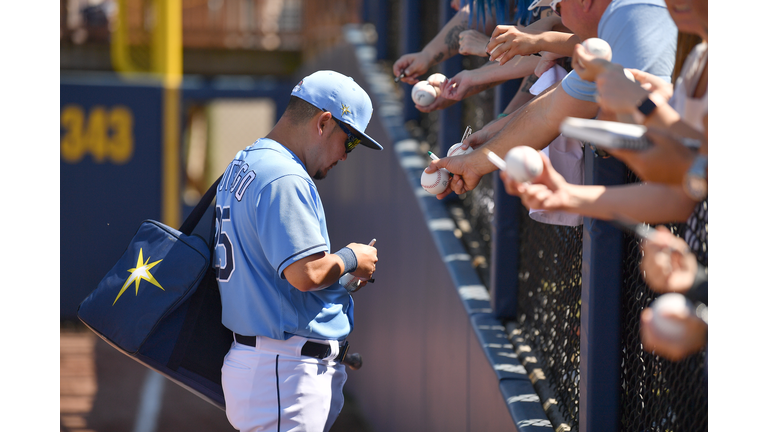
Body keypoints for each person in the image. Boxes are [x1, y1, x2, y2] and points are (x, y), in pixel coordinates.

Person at [215, 70, 381, 432]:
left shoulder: (250, 159)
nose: (346, 155)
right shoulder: (285, 177)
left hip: (272, 365)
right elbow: (305, 275)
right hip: (282, 372)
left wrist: (341, 281)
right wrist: (351, 256)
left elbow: (272, 276)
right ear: (324, 122)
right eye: (349, 141)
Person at [427, 0, 678, 200]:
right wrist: (487, 142)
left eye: (559, 7)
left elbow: (674, 161)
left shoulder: (630, 12)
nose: (561, 20)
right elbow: (550, 109)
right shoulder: (612, 33)